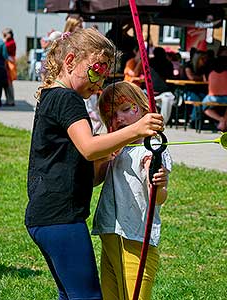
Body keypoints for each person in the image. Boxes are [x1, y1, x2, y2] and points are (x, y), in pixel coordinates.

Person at [25, 28, 164, 300]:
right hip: (60, 218)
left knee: (70, 294)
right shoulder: (68, 99)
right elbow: (89, 148)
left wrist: (109, 151)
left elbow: (87, 172)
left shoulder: (53, 96)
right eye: (95, 72)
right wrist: (136, 130)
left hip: (47, 217)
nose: (99, 85)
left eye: (103, 77)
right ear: (70, 61)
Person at [93, 81, 172, 300]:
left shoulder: (154, 148)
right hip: (110, 235)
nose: (119, 119)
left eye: (126, 110)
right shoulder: (115, 145)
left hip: (136, 240)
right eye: (111, 115)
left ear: (144, 110)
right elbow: (95, 180)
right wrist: (101, 159)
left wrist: (156, 181)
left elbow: (159, 197)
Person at [202, 56, 227, 131]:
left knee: (204, 106)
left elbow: (205, 81)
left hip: (213, 97)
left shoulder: (210, 72)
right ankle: (225, 118)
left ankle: (220, 119)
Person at [2, 27, 17, 106]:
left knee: (9, 83)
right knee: (6, 83)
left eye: (5, 34)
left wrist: (5, 39)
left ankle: (11, 101)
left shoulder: (11, 42)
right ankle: (8, 100)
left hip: (9, 64)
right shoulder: (10, 42)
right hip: (7, 63)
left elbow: (3, 46)